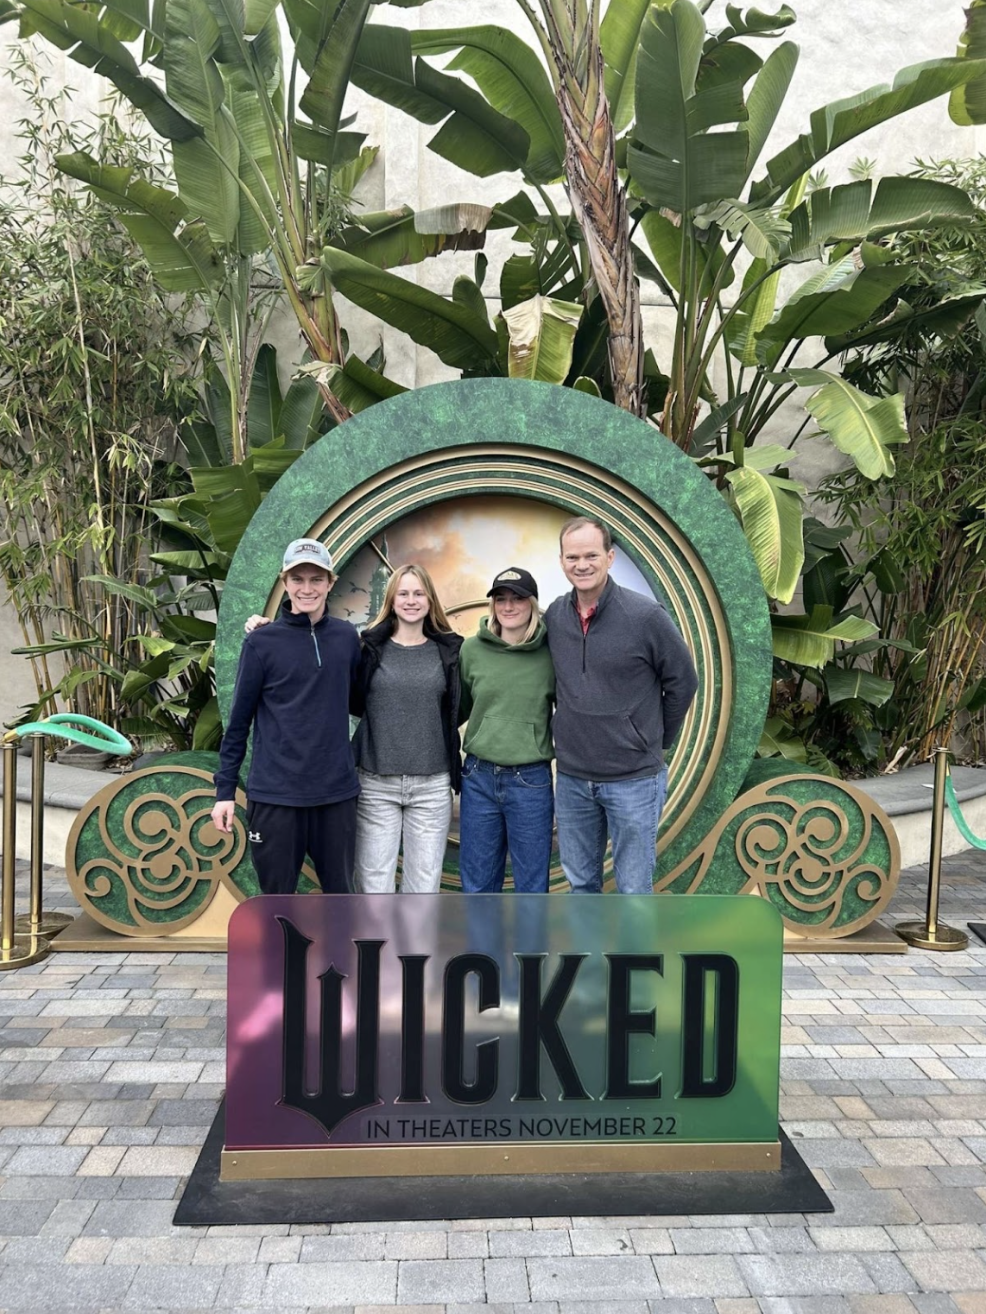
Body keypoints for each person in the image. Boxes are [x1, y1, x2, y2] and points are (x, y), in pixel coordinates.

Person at [545, 516, 698, 895]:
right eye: (573, 556)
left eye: (591, 555)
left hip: (633, 780)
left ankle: (635, 957)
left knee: (633, 888)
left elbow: (684, 681)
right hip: (573, 778)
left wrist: (655, 738)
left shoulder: (645, 616)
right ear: (562, 561)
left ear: (610, 557)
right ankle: (589, 956)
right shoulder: (555, 616)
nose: (582, 565)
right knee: (581, 885)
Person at [211, 538, 361, 895]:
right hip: (276, 796)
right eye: (298, 579)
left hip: (335, 795)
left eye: (316, 579)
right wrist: (225, 792)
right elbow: (238, 722)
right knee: (277, 900)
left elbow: (359, 700)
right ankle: (279, 955)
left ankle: (337, 955)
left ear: (330, 583)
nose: (307, 588)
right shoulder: (261, 643)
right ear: (285, 582)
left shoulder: (346, 637)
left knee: (341, 899)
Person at [351, 564, 463, 893]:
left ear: (430, 600)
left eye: (418, 593)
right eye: (403, 593)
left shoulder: (450, 651)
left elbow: (459, 706)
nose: (411, 600)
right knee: (374, 885)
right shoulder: (368, 648)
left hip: (432, 786)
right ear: (391, 600)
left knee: (424, 887)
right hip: (375, 784)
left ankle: (414, 947)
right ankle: (378, 947)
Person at [457, 567, 556, 893]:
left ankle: (528, 947)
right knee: (478, 885)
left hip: (530, 782)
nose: (509, 606)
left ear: (532, 604)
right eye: (501, 599)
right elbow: (459, 708)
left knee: (531, 886)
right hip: (478, 778)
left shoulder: (550, 654)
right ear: (493, 604)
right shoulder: (471, 651)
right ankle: (483, 947)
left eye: (517, 599)